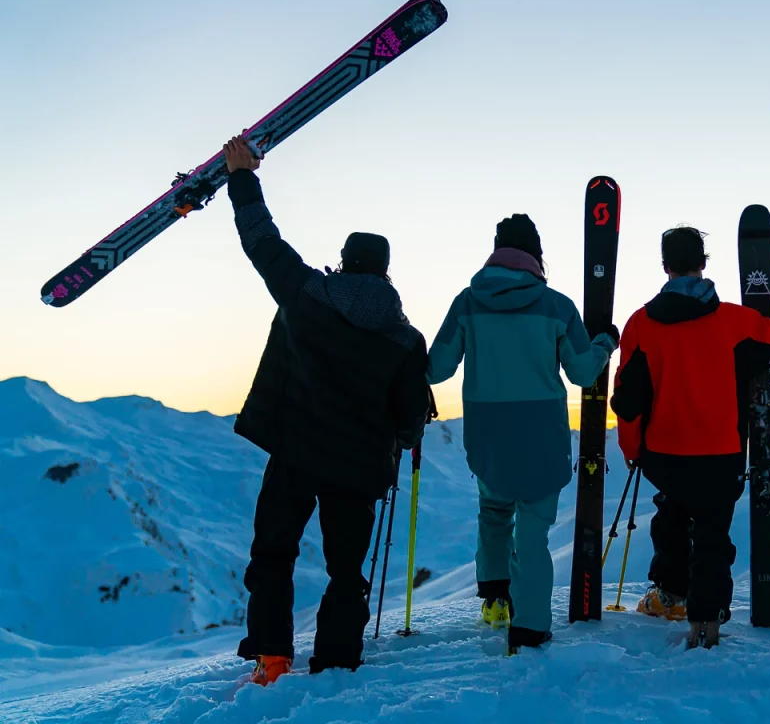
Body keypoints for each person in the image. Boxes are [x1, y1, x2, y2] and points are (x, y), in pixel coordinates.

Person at [222, 136, 433, 685]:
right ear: (386, 273)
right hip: (358, 469)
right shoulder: (407, 340)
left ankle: (272, 658)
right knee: (346, 568)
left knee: (273, 554)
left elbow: (261, 241)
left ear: (343, 263)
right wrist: (401, 433)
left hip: (293, 452)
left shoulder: (304, 294)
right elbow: (412, 419)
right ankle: (337, 660)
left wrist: (242, 177)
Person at [610, 226, 770, 648]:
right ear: (703, 263)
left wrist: (632, 449)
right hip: (720, 453)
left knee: (670, 518)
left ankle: (670, 597)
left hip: (664, 454)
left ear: (665, 266)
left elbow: (628, 401)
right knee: (712, 536)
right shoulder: (735, 322)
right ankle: (708, 624)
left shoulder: (641, 325)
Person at [426, 214, 617, 652]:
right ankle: (529, 627)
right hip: (541, 438)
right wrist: (605, 342)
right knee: (532, 535)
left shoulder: (467, 303)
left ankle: (495, 602)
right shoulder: (556, 306)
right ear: (536, 255)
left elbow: (436, 368)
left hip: (488, 439)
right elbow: (584, 373)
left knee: (494, 515)